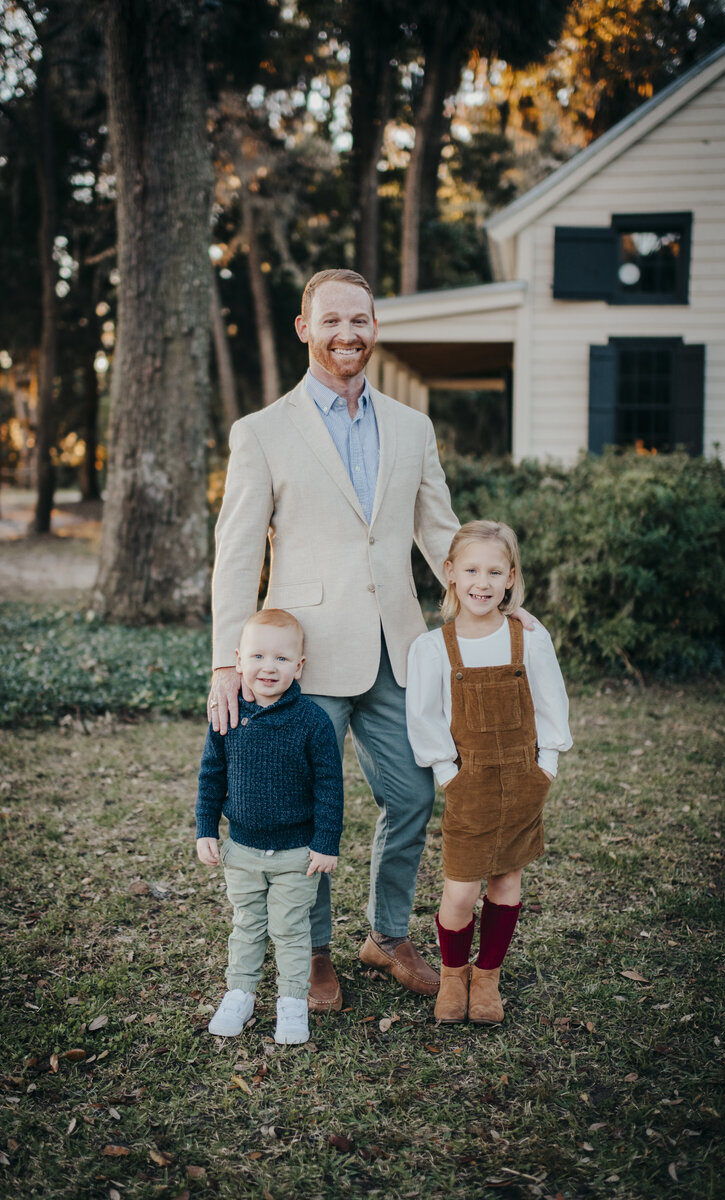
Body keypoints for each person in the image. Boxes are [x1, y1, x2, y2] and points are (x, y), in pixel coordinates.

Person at [207, 268, 464, 1012]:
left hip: (397, 647)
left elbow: (439, 531)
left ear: (374, 327)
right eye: (331, 320)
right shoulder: (261, 433)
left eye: (360, 319)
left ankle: (386, 936)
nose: (347, 333)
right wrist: (230, 659)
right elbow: (236, 551)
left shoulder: (412, 427)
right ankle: (313, 954)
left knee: (413, 793)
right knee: (303, 806)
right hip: (301, 656)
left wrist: (498, 606)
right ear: (304, 328)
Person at [406, 520, 572, 1024]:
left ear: (510, 578)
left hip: (524, 778)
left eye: (494, 571)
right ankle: (453, 975)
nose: (482, 581)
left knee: (506, 883)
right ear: (451, 573)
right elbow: (424, 717)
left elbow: (551, 704)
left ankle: (487, 979)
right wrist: (447, 773)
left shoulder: (528, 639)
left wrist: (546, 766)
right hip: (469, 782)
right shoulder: (433, 647)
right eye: (472, 569)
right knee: (459, 891)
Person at [196, 609, 344, 1045]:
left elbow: (329, 786)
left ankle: (293, 1002)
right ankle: (239, 994)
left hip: (297, 852)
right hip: (241, 849)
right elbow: (211, 775)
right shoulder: (227, 714)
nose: (268, 667)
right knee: (247, 924)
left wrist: (325, 842)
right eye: (258, 656)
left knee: (291, 928)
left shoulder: (312, 721)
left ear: (299, 666)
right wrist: (207, 828)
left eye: (281, 659)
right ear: (238, 660)